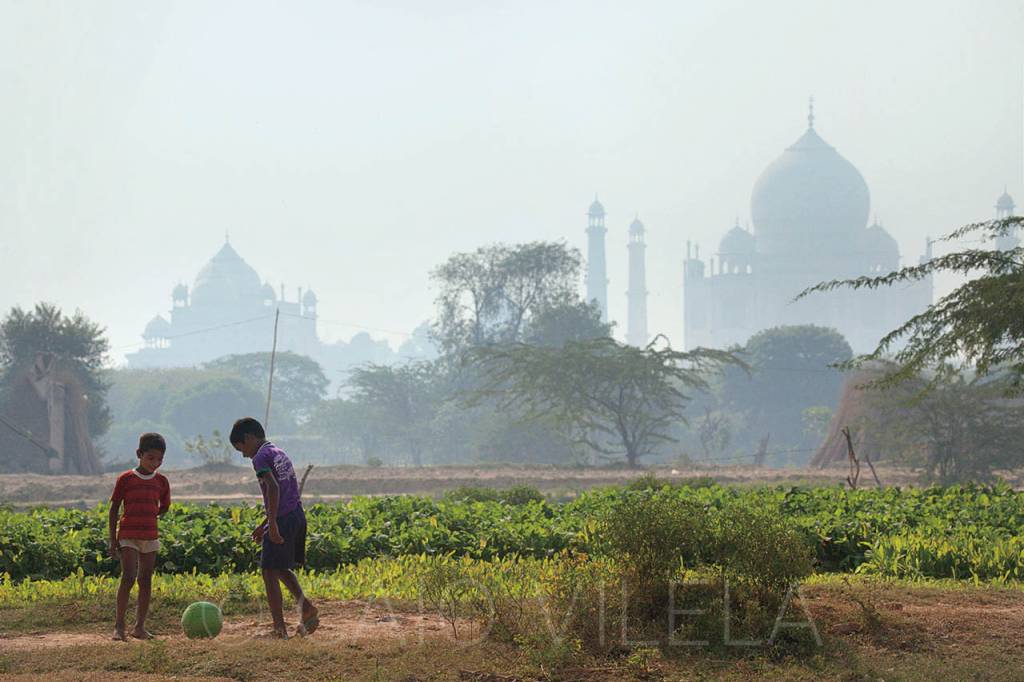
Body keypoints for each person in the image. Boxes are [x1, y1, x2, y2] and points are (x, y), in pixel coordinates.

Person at [230, 417, 319, 639]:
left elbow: (273, 488)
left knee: (268, 571)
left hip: (283, 519)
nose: (244, 455)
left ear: (249, 438)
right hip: (296, 515)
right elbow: (284, 493)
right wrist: (264, 525)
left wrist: (272, 526)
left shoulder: (260, 457)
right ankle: (306, 607)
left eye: (241, 448)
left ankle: (279, 629)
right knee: (279, 567)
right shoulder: (278, 452)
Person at [109, 432, 171, 641]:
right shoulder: (126, 479)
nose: (155, 463)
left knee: (145, 580)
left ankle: (139, 627)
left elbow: (165, 506)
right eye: (150, 458)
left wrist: (150, 515)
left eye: (159, 459)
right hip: (128, 534)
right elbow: (114, 508)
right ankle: (119, 626)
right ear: (139, 454)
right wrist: (113, 539)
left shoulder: (161, 481)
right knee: (128, 577)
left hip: (150, 536)